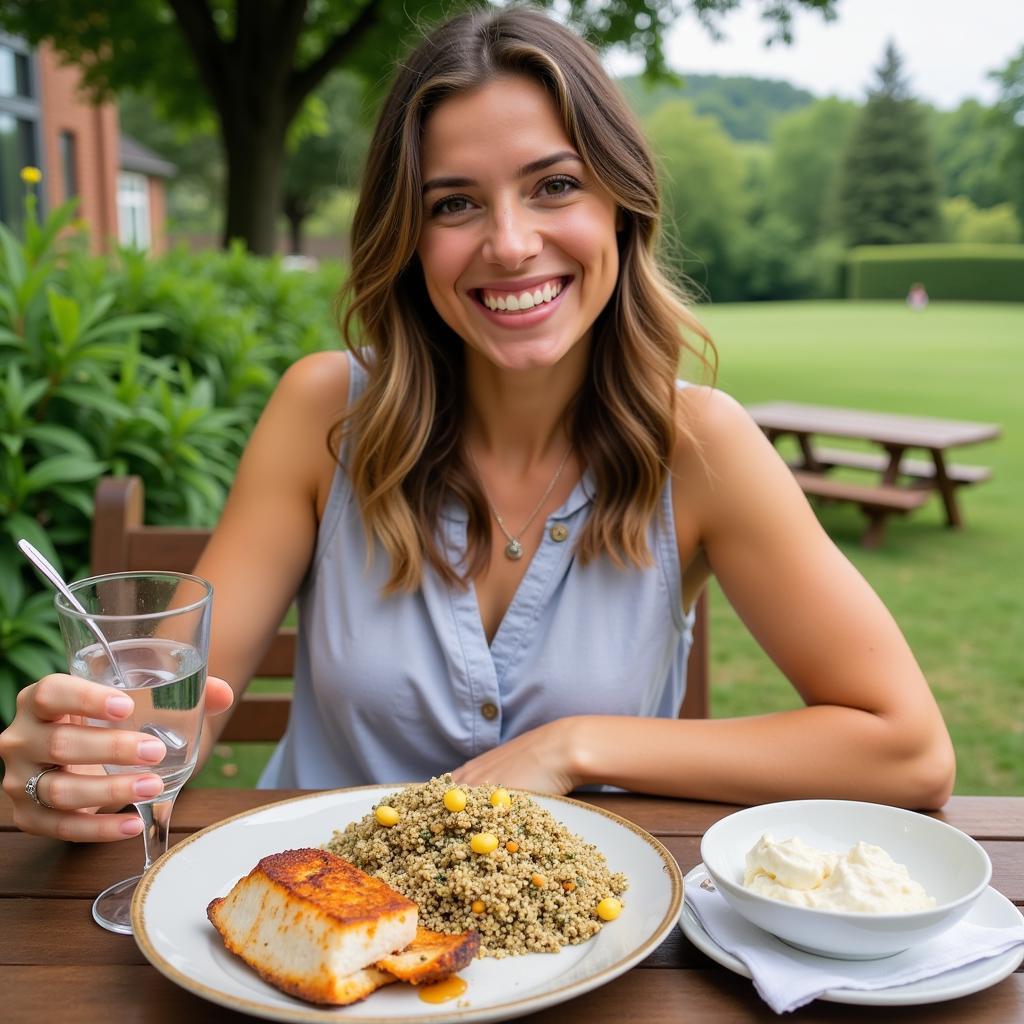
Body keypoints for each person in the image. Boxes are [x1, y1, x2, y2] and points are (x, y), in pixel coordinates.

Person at [0, 5, 955, 843]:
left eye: (554, 185)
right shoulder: (321, 413)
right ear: (407, 241)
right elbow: (177, 720)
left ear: (621, 203)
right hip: (309, 915)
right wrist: (91, 767)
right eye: (454, 203)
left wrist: (572, 748)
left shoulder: (701, 448)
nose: (508, 243)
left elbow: (906, 749)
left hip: (576, 944)